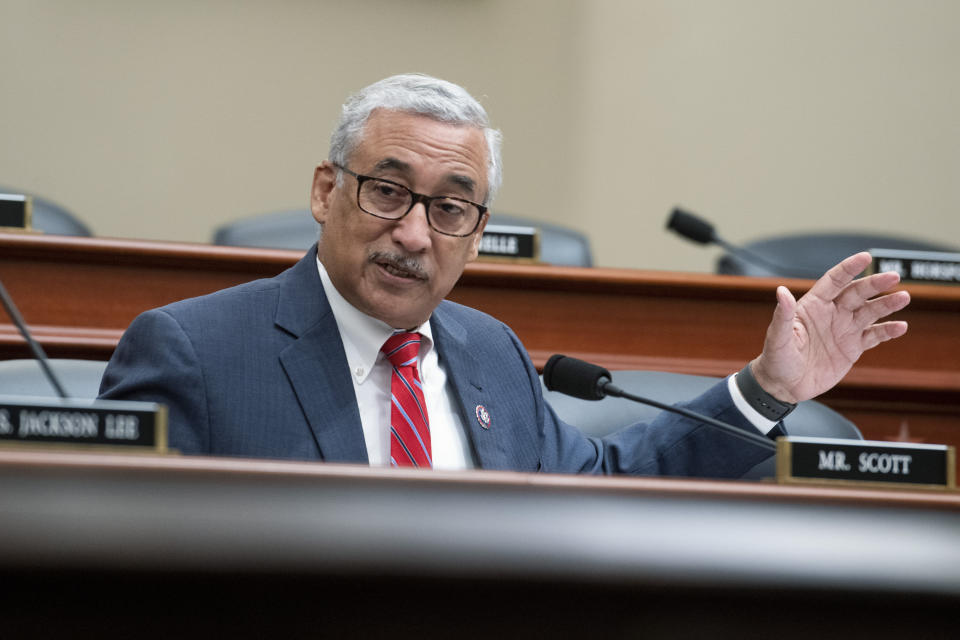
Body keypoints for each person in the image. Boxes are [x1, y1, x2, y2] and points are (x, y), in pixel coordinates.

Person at [98, 73, 910, 476]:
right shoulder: (195, 352)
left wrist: (768, 388)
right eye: (387, 191)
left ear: (478, 234)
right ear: (324, 191)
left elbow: (612, 490)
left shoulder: (489, 354)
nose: (414, 233)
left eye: (452, 209)